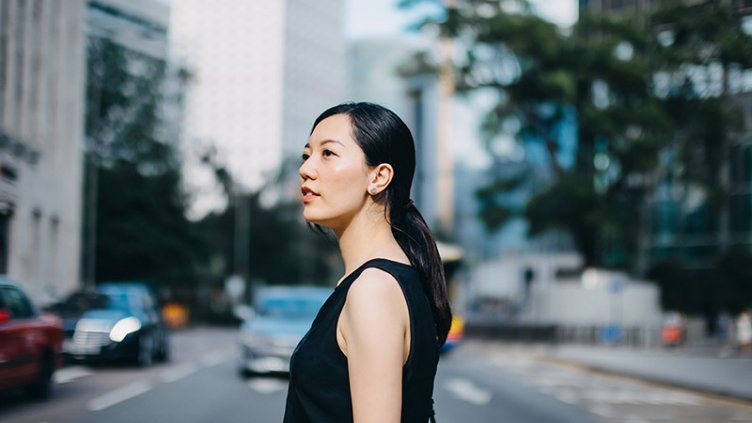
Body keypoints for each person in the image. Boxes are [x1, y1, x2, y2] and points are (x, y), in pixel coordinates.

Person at [283, 102, 452, 423]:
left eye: (328, 153)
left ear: (379, 177)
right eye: (306, 155)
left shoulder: (373, 290)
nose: (306, 169)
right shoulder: (383, 282)